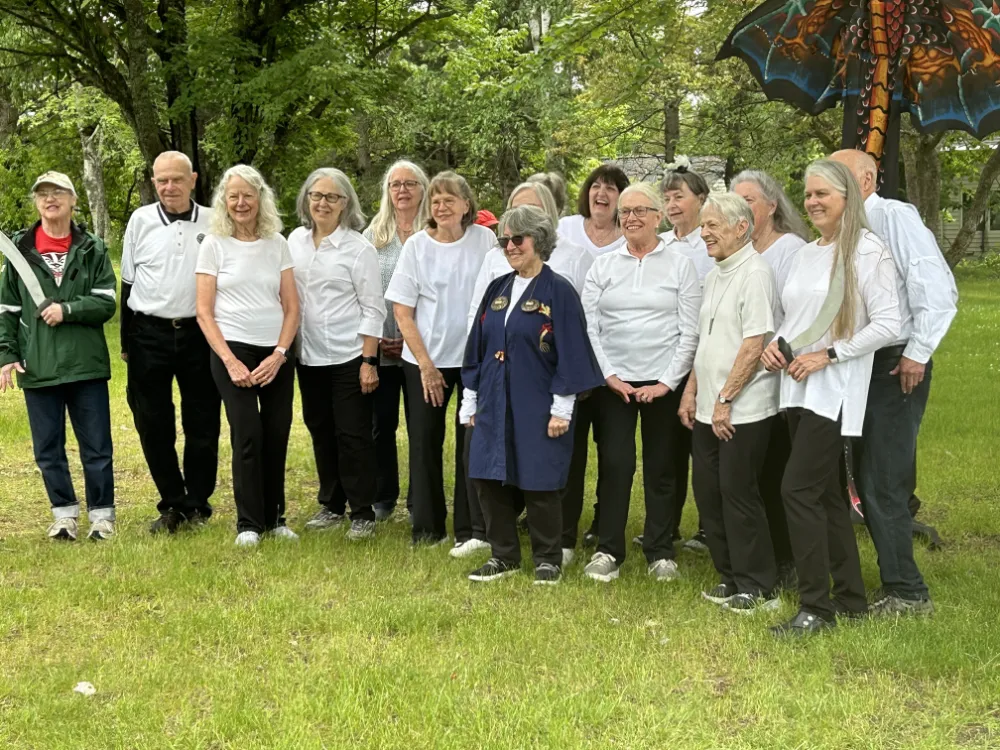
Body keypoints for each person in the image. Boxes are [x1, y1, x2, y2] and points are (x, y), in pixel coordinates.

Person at [761, 158, 900, 636]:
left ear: (849, 198)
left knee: (795, 490)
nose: (814, 201)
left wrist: (831, 355)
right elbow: (793, 318)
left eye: (824, 193)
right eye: (809, 194)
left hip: (834, 391)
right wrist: (776, 346)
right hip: (796, 388)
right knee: (824, 495)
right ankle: (852, 599)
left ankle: (815, 609)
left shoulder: (866, 251)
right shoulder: (807, 253)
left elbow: (889, 324)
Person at [830, 148, 958, 617]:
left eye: (836, 176)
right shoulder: (845, 229)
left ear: (867, 180)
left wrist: (917, 352)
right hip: (860, 362)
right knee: (865, 472)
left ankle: (908, 592)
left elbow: (935, 288)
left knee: (883, 477)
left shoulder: (894, 216)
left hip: (896, 362)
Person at [461, 206, 604, 584]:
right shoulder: (497, 288)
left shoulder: (559, 291)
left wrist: (562, 407)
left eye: (517, 239)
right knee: (488, 477)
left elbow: (572, 351)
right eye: (504, 240)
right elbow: (477, 345)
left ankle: (548, 559)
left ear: (538, 240)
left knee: (540, 479)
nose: (510, 246)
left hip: (538, 402)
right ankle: (503, 555)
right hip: (493, 398)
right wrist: (470, 398)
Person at [581, 182, 701, 583]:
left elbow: (690, 331)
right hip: (614, 383)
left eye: (639, 211)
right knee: (616, 463)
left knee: (663, 466)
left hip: (663, 383)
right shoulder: (604, 265)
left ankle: (660, 550)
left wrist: (667, 384)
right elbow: (590, 325)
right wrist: (610, 375)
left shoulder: (680, 264)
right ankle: (608, 549)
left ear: (657, 217)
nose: (630, 218)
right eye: (625, 212)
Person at [0, 171, 117, 541]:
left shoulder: (93, 248)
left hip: (86, 364)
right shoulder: (18, 251)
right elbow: (6, 309)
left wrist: (68, 310)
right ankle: (63, 515)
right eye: (43, 194)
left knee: (97, 447)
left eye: (59, 192)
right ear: (36, 202)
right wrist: (6, 354)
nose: (51, 199)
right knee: (48, 448)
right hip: (40, 365)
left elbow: (106, 302)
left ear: (73, 200)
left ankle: (102, 516)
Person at [679, 193, 781, 613]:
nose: (704, 233)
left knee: (738, 495)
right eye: (703, 226)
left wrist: (724, 400)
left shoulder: (755, 273)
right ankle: (730, 576)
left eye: (712, 225)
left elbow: (755, 343)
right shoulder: (717, 272)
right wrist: (692, 390)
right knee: (708, 494)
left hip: (742, 408)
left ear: (742, 227)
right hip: (708, 405)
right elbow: (708, 341)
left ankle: (760, 587)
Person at [385, 171, 493, 546]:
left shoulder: (486, 240)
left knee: (472, 443)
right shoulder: (417, 246)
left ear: (467, 205)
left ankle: (471, 530)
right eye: (435, 200)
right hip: (425, 361)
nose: (441, 206)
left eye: (450, 199)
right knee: (425, 442)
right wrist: (427, 367)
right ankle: (428, 529)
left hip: (475, 361)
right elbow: (402, 312)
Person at [195, 165, 300, 547]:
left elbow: (291, 307)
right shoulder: (214, 244)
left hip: (275, 350)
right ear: (224, 201)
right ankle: (249, 524)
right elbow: (204, 312)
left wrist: (279, 354)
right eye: (233, 196)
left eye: (248, 195)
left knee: (276, 432)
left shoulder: (278, 243)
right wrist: (230, 360)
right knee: (248, 434)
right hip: (231, 349)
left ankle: (275, 518)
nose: (241, 203)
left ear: (261, 199)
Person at [120, 151, 221, 534]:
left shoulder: (213, 221)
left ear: (193, 179)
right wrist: (127, 339)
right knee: (152, 422)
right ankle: (172, 503)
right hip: (149, 334)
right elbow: (127, 281)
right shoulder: (140, 220)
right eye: (161, 180)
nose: (169, 187)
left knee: (203, 422)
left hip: (199, 333)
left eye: (177, 179)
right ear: (153, 181)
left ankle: (197, 502)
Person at [289, 168, 385, 541]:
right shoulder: (294, 242)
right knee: (321, 431)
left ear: (346, 204)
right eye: (316, 195)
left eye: (332, 197)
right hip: (308, 356)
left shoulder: (358, 248)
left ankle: (362, 512)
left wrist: (368, 361)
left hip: (349, 356)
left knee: (353, 435)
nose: (322, 203)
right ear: (306, 199)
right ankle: (331, 505)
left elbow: (373, 308)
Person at [730, 169, 811, 584]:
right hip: (746, 376)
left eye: (750, 201)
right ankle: (764, 555)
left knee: (779, 471)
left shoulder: (790, 249)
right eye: (735, 202)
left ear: (772, 205)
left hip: (780, 374)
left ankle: (789, 559)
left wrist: (768, 351)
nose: (742, 209)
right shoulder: (737, 254)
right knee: (755, 474)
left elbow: (797, 314)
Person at [557, 164, 630, 548]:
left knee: (614, 453)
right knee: (569, 451)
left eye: (612, 188)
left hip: (615, 361)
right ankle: (564, 532)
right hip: (570, 360)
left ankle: (604, 525)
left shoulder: (630, 238)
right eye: (596, 186)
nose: (602, 193)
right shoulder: (565, 229)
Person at [363, 160, 429, 523]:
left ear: (423, 189)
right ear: (387, 192)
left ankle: (420, 500)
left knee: (421, 427)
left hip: (420, 349)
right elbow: (363, 294)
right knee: (380, 427)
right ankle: (383, 496)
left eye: (410, 183)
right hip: (381, 347)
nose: (402, 190)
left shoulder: (433, 234)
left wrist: (409, 339)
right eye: (395, 184)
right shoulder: (371, 236)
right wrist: (378, 342)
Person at [660, 159, 712, 553]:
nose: (671, 204)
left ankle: (712, 528)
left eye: (679, 196)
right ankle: (668, 525)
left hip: (707, 355)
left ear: (701, 199)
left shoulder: (709, 246)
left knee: (706, 450)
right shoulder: (661, 244)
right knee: (669, 451)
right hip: (669, 360)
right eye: (667, 197)